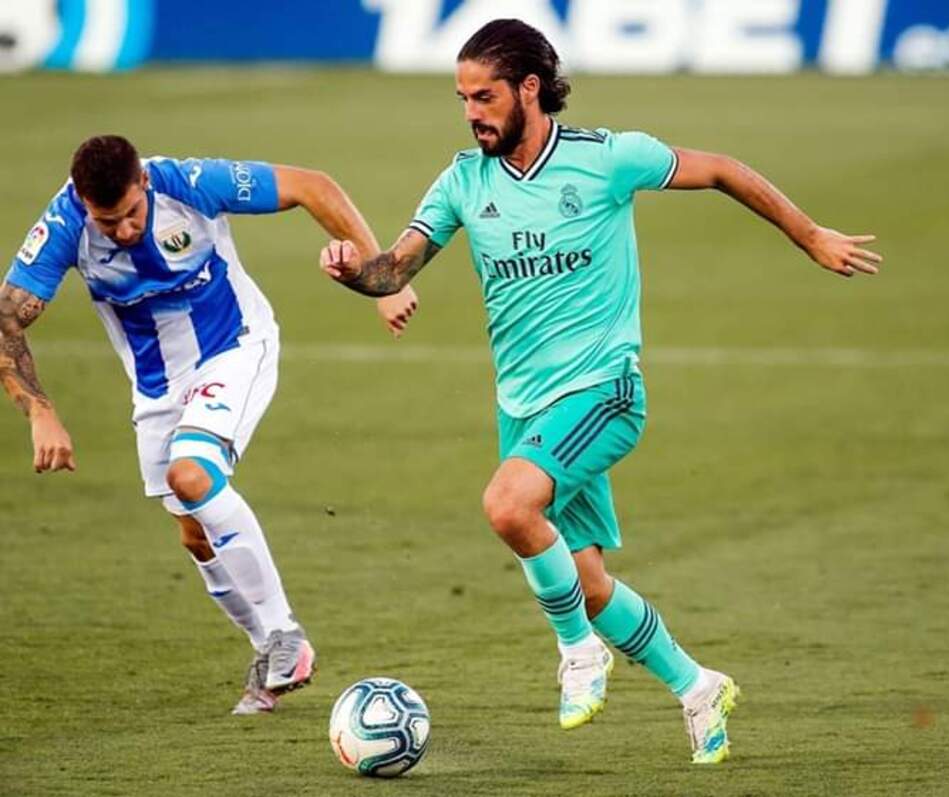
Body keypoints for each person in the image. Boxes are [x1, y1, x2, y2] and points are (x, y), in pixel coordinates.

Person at [320, 19, 881, 764]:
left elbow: (720, 169)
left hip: (604, 391)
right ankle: (698, 686)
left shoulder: (606, 159)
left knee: (508, 506)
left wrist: (809, 235)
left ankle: (578, 652)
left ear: (528, 88)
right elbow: (394, 269)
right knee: (585, 584)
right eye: (462, 99)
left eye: (484, 97)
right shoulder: (463, 181)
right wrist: (352, 271)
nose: (471, 113)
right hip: (525, 407)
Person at [1, 135, 418, 714]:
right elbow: (6, 318)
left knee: (192, 474)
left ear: (144, 183)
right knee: (195, 535)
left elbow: (312, 186)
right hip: (156, 387)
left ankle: (286, 635)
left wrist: (381, 278)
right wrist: (41, 412)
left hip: (235, 347)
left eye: (131, 214)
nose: (123, 230)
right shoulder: (66, 224)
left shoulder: (190, 184)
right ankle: (268, 650)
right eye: (107, 221)